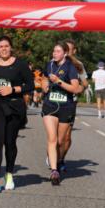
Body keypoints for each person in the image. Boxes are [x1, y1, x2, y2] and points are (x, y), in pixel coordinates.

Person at [0, 35, 33, 193]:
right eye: (1, 46)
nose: (3, 49)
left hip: (14, 106)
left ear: (10, 48)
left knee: (10, 142)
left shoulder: (20, 64)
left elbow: (30, 85)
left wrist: (13, 89)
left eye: (6, 46)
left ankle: (9, 174)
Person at [40, 42, 81, 185]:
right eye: (54, 51)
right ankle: (54, 171)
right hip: (50, 105)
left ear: (65, 53)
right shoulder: (49, 65)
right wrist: (44, 85)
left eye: (58, 51)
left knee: (60, 141)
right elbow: (44, 78)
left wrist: (58, 82)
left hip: (66, 107)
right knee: (52, 138)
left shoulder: (70, 68)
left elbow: (75, 88)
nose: (55, 53)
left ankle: (56, 160)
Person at [59, 38, 87, 171]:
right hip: (55, 102)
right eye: (64, 49)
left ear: (74, 51)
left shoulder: (78, 65)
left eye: (69, 50)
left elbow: (85, 83)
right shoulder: (55, 61)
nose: (66, 52)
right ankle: (53, 155)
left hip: (70, 103)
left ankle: (61, 159)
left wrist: (81, 87)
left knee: (67, 137)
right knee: (56, 136)